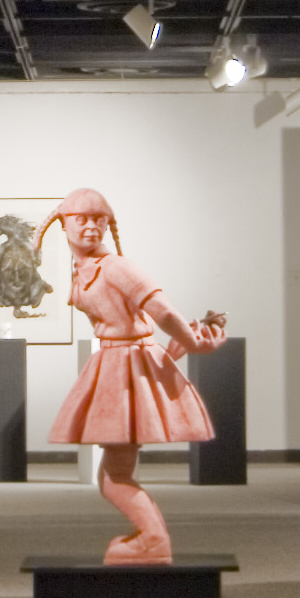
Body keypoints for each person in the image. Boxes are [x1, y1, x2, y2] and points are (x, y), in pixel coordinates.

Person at [37, 187, 224, 564]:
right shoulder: (85, 269)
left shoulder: (116, 266)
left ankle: (154, 540)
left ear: (109, 223)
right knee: (113, 475)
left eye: (98, 218)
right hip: (114, 365)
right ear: (64, 224)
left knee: (113, 477)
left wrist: (193, 341)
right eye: (81, 218)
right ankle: (152, 539)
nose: (91, 226)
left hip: (128, 366)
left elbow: (162, 310)